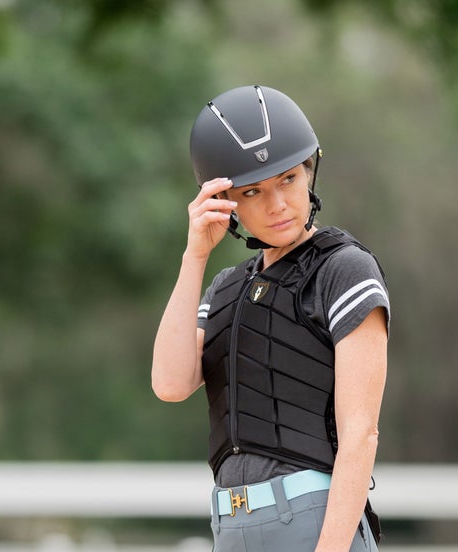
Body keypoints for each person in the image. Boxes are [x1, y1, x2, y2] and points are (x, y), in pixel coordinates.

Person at [152, 84, 389, 552]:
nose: (277, 203)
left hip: (313, 522)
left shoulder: (344, 268)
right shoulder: (226, 286)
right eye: (253, 191)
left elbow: (361, 433)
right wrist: (194, 255)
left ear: (309, 173)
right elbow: (170, 383)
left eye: (288, 179)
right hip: (232, 523)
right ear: (227, 202)